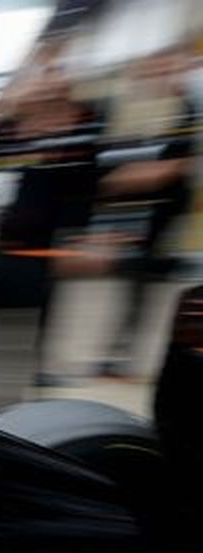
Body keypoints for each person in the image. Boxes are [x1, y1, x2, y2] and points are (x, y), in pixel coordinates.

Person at [0, 58, 104, 412]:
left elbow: (89, 187)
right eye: (44, 79)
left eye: (58, 79)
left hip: (51, 248)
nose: (50, 87)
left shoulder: (84, 126)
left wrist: (82, 238)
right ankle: (2, 402)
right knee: (0, 327)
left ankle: (35, 394)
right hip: (5, 245)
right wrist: (4, 113)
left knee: (43, 323)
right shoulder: (7, 131)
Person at [93, 47, 196, 378]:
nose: (159, 77)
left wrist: (131, 174)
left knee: (140, 287)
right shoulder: (129, 112)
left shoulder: (185, 111)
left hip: (163, 215)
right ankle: (117, 354)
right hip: (131, 213)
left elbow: (168, 170)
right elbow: (106, 169)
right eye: (152, 71)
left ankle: (123, 357)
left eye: (166, 70)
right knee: (128, 286)